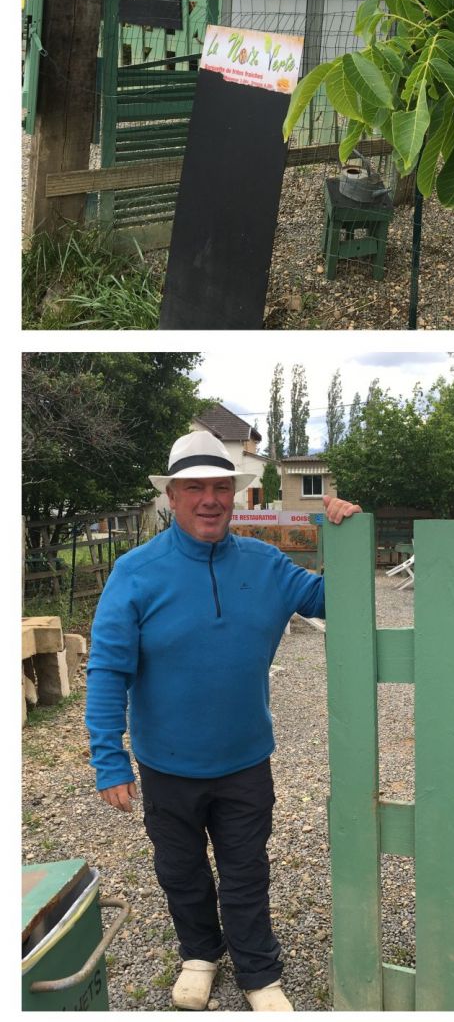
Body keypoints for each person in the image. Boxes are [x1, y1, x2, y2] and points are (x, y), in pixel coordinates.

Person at [85, 431, 361, 1012]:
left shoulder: (266, 565)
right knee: (181, 873)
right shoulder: (135, 573)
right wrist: (109, 759)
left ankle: (260, 974)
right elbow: (108, 669)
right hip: (166, 764)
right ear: (173, 497)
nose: (209, 499)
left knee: (245, 874)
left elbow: (342, 600)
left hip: (244, 760)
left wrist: (347, 534)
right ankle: (200, 955)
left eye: (220, 487)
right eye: (195, 488)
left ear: (235, 495)